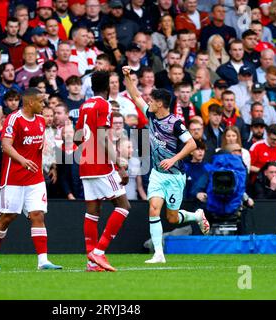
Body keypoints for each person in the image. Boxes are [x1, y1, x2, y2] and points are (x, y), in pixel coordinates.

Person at [123, 65, 209, 265]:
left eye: (152, 100)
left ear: (160, 103)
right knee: (153, 209)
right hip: (157, 174)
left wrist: (173, 159)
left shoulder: (176, 123)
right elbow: (136, 96)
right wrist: (127, 76)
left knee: (171, 218)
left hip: (174, 176)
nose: (148, 102)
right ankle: (159, 254)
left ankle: (196, 216)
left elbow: (192, 144)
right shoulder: (151, 115)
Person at [0, 88, 62, 271]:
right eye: (41, 102)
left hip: (35, 179)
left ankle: (43, 261)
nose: (44, 105)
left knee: (38, 215)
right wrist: (23, 160)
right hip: (13, 178)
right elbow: (5, 145)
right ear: (30, 102)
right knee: (7, 217)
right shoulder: (14, 119)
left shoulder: (41, 121)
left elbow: (39, 146)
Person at [75, 70, 131, 272]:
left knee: (93, 210)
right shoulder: (104, 105)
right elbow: (101, 137)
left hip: (85, 164)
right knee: (123, 206)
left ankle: (91, 263)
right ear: (108, 87)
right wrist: (119, 166)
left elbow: (76, 137)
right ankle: (99, 252)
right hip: (101, 164)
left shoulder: (84, 105)